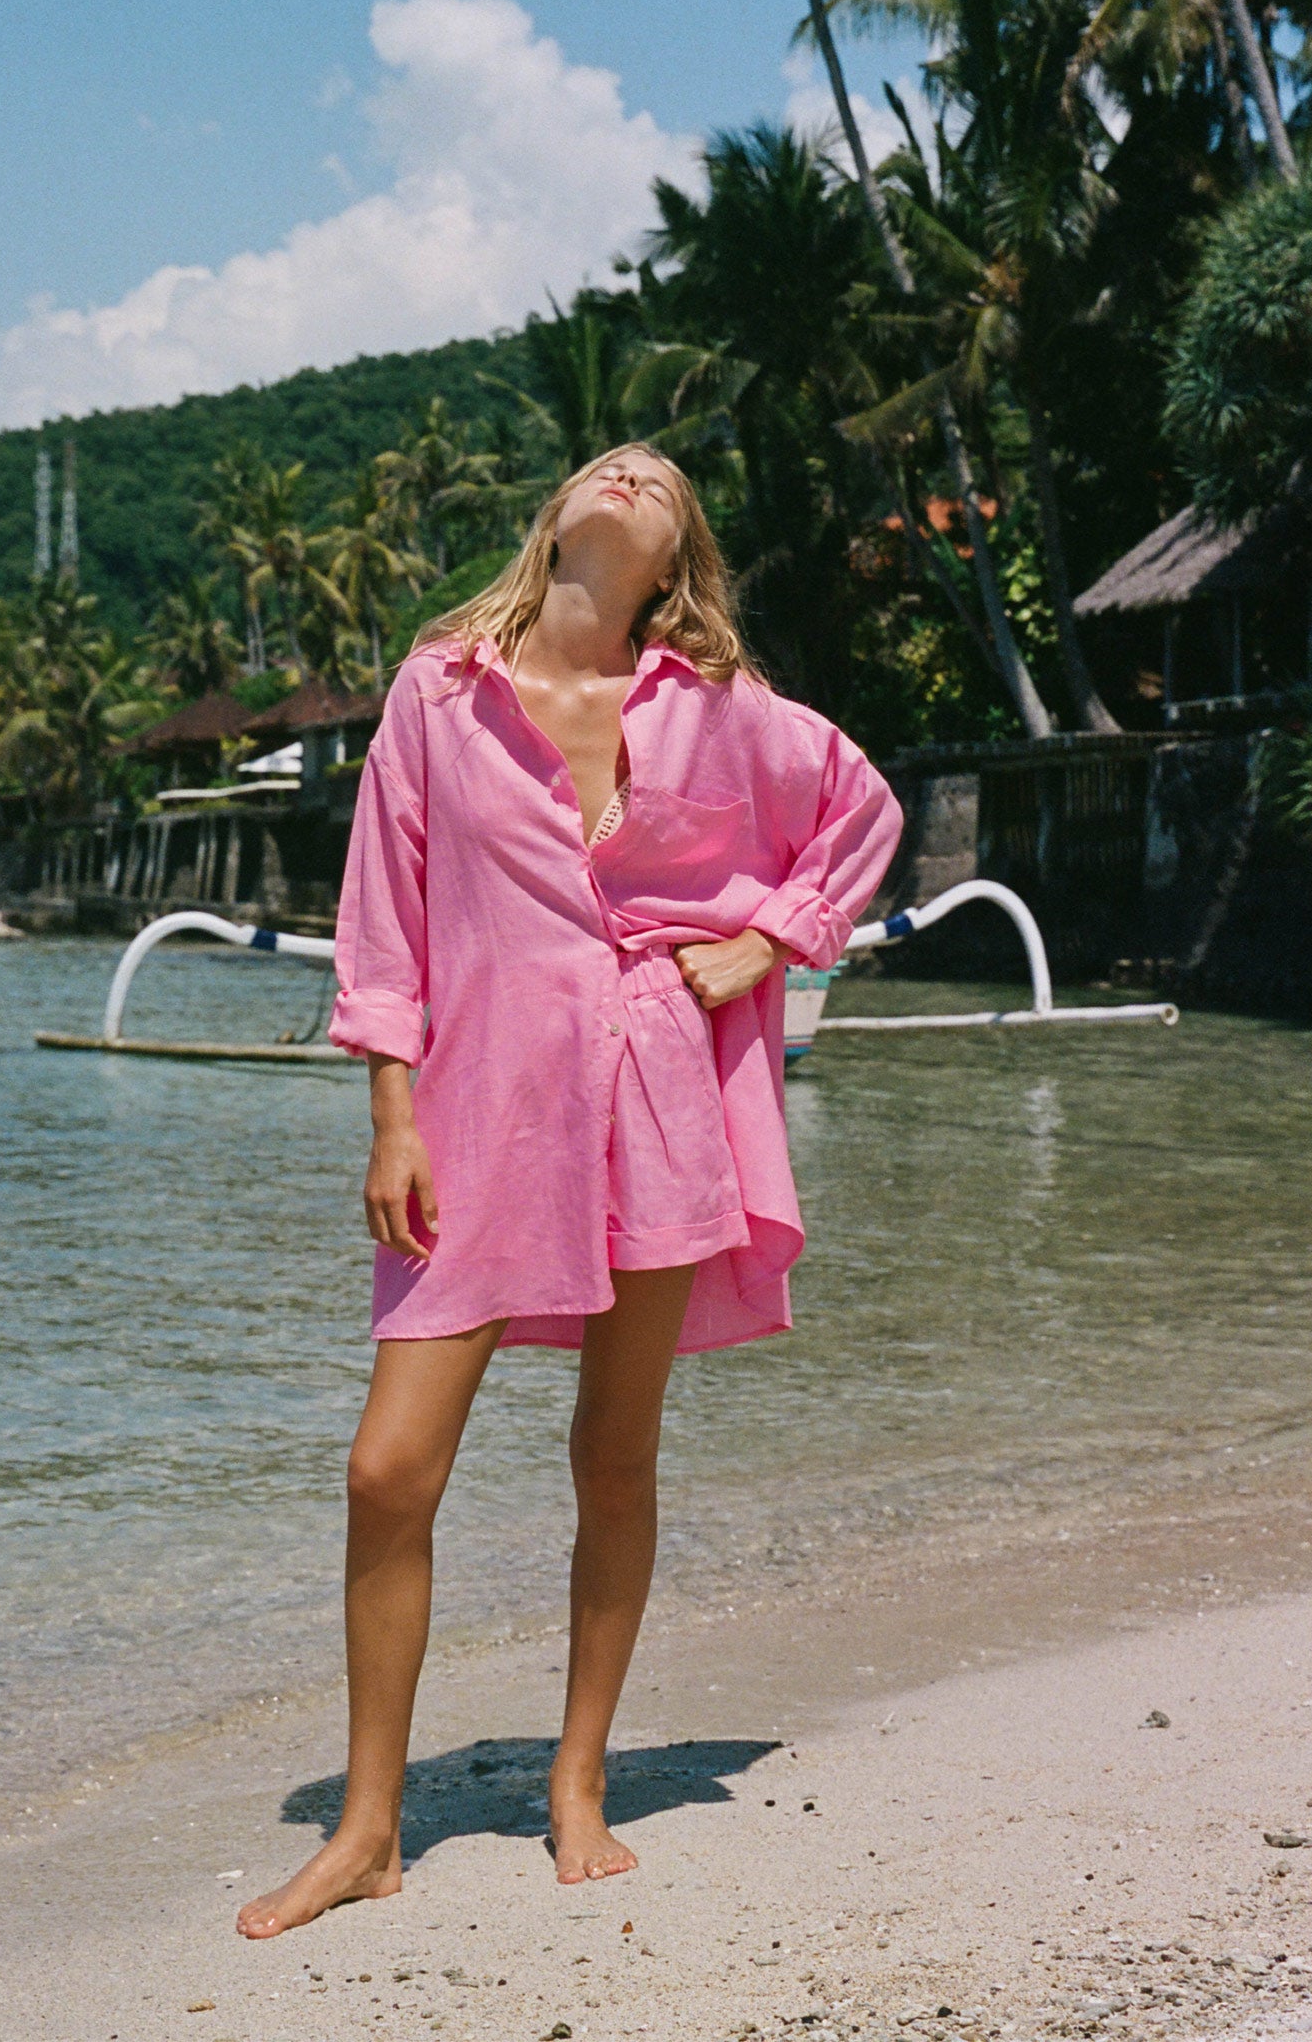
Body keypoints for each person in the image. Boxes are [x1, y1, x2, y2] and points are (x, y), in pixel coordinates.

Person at [237, 445, 900, 1938]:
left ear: (676, 561)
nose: (630, 474)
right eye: (608, 464)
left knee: (614, 1453)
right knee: (386, 1471)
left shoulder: (717, 708)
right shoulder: (438, 692)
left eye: (660, 480)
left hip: (655, 1098)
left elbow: (859, 810)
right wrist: (389, 1113)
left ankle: (579, 1778)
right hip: (472, 1115)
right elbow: (385, 916)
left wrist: (768, 941)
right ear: (557, 520)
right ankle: (365, 1829)